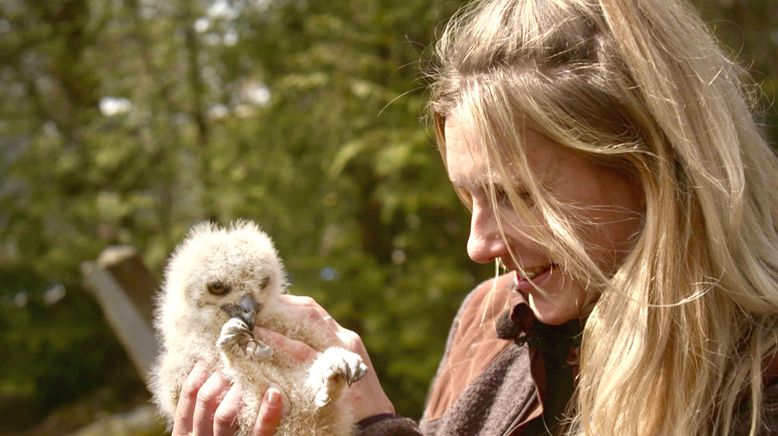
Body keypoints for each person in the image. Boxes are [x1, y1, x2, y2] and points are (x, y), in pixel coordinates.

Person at [171, 0, 778, 434]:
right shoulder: (488, 324)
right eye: (469, 198)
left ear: (656, 174)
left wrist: (380, 426)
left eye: (518, 196)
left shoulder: (757, 385)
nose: (478, 245)